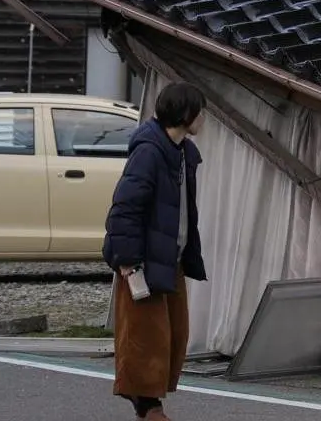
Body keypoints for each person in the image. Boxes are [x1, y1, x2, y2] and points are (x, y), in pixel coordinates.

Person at [104, 83, 208, 421]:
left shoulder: (179, 151)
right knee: (147, 336)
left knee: (174, 334)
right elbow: (124, 208)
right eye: (200, 112)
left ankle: (148, 404)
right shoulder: (149, 151)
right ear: (186, 114)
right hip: (142, 260)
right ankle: (149, 407)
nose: (203, 119)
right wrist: (129, 263)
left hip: (169, 257)